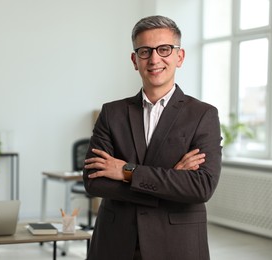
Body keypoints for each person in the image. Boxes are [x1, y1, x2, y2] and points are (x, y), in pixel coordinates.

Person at [83, 15, 222, 260]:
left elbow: (201, 187)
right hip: (116, 242)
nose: (154, 59)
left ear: (179, 57)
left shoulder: (203, 115)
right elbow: (95, 181)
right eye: (145, 51)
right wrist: (172, 181)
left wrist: (127, 172)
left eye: (164, 49)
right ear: (135, 60)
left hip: (177, 245)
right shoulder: (111, 113)